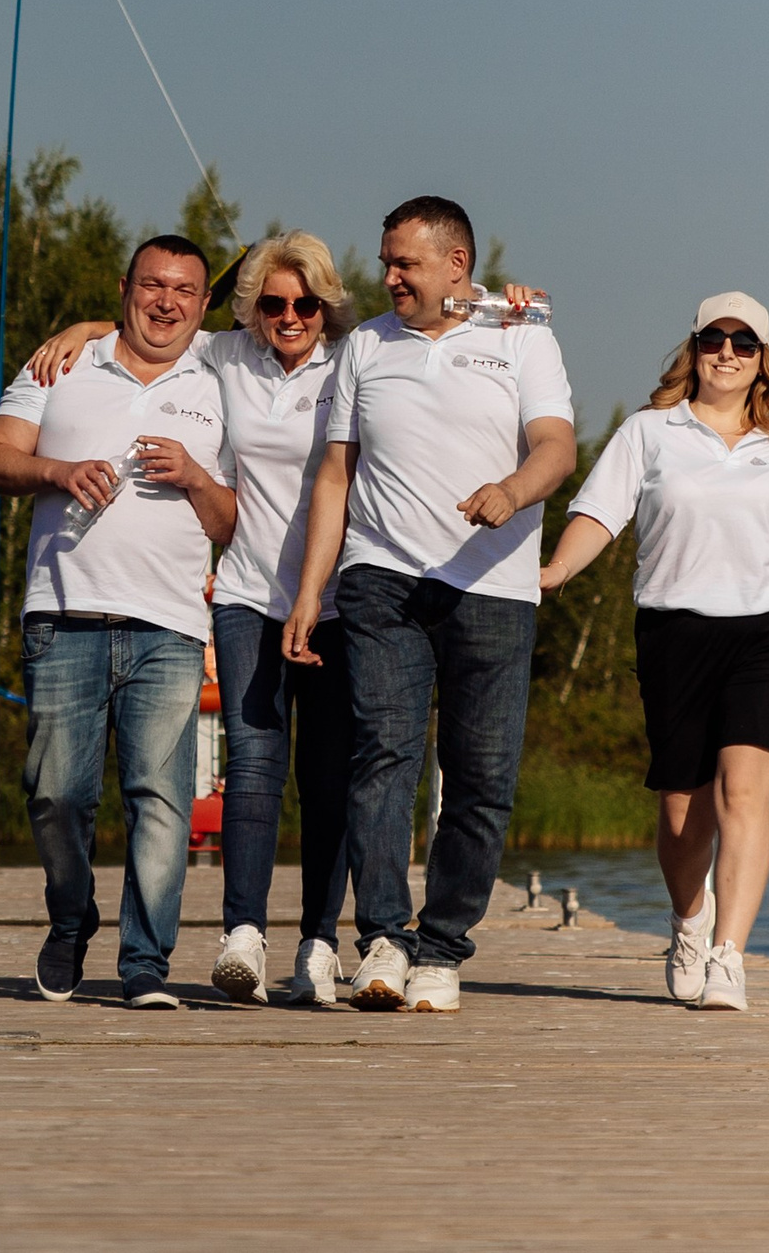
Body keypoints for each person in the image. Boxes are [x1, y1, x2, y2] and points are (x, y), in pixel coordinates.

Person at [31, 236, 546, 1008]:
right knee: (253, 765)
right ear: (252, 308)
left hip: (342, 599)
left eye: (306, 302)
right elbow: (156, 321)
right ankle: (243, 933)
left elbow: (450, 326)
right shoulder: (228, 355)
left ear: (327, 304)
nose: (290, 315)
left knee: (332, 775)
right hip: (246, 593)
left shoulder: (357, 357)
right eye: (272, 302)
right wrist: (81, 329)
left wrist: (509, 305)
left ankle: (317, 943)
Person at [283, 196, 576, 1014]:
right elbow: (335, 474)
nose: (389, 277)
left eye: (404, 262)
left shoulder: (522, 335)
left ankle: (443, 947)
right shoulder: (366, 347)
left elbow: (557, 448)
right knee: (382, 754)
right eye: (386, 261)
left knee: (482, 777)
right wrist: (310, 590)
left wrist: (512, 490)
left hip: (494, 586)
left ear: (456, 264)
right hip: (382, 579)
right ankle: (383, 937)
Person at [539, 292, 769, 1012]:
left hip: (768, 633)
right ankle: (690, 921)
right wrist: (555, 571)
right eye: (715, 339)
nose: (727, 353)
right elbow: (599, 514)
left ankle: (730, 957)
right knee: (683, 812)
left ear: (762, 359)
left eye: (744, 343)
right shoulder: (649, 432)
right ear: (695, 346)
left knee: (744, 793)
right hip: (675, 632)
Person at [0, 235, 238, 1009]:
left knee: (161, 799)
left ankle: (145, 963)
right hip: (63, 615)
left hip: (170, 626)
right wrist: (56, 471)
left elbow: (230, 523)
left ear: (204, 304)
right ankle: (71, 917)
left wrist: (195, 476)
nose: (167, 301)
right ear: (124, 288)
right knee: (56, 793)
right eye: (153, 284)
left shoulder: (220, 378)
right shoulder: (60, 364)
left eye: (184, 290)